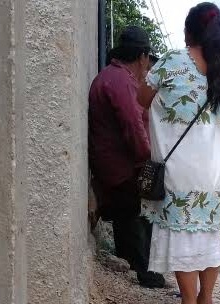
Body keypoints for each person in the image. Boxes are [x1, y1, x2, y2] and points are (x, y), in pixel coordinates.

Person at [138, 3, 220, 304]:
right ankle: (206, 302)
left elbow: (142, 100)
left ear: (189, 31)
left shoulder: (172, 61)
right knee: (208, 230)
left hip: (182, 163)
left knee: (181, 230)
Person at [88, 26, 166, 289]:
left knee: (135, 213)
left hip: (116, 166)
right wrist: (149, 161)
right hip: (120, 169)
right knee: (143, 208)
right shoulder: (119, 81)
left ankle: (135, 263)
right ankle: (147, 272)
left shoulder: (115, 77)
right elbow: (133, 126)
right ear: (142, 56)